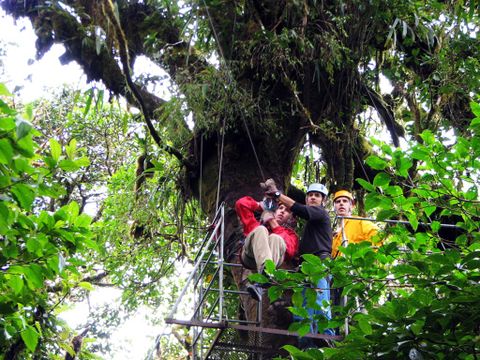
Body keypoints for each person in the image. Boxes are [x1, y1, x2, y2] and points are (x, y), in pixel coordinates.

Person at [268, 183, 335, 340]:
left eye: (317, 195)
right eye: (310, 195)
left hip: (319, 263)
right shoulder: (310, 227)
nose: (312, 197)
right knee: (304, 307)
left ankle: (325, 336)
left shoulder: (320, 213)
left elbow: (301, 210)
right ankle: (305, 343)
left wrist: (277, 195)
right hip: (305, 268)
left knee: (319, 300)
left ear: (323, 201)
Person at [235, 194, 299, 301]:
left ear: (291, 217)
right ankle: (266, 273)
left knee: (275, 238)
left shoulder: (290, 234)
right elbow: (241, 204)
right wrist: (262, 206)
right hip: (250, 256)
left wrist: (272, 222)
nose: (282, 211)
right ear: (275, 210)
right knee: (261, 230)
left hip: (274, 260)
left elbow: (290, 251)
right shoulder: (259, 225)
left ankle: (264, 278)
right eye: (280, 208)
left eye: (287, 210)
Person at [331, 190, 380, 259]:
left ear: (352, 206)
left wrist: (364, 256)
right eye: (338, 202)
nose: (341, 203)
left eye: (345, 201)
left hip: (356, 266)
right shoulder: (336, 233)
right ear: (334, 207)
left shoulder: (359, 222)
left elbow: (377, 234)